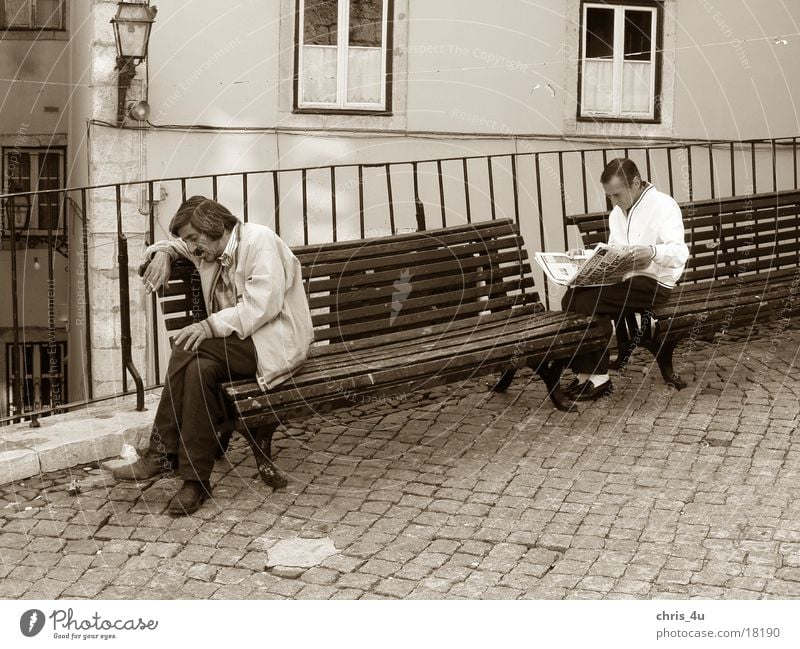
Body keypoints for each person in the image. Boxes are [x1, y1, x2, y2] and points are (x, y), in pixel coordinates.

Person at [112, 196, 314, 515]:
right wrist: (164, 252)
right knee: (197, 373)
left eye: (193, 238)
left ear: (214, 228)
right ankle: (196, 483)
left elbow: (263, 306)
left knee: (186, 345)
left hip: (274, 343)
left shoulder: (259, 242)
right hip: (233, 348)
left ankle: (161, 453)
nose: (192, 248)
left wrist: (208, 326)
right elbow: (178, 246)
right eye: (187, 241)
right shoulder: (210, 250)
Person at [562, 158, 689, 401]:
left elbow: (680, 253)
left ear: (636, 182)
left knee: (590, 301)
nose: (614, 202)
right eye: (609, 196)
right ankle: (584, 374)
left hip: (655, 283)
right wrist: (584, 257)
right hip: (625, 279)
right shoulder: (618, 213)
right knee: (572, 297)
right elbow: (613, 251)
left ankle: (599, 378)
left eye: (617, 195)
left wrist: (653, 252)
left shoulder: (663, 205)